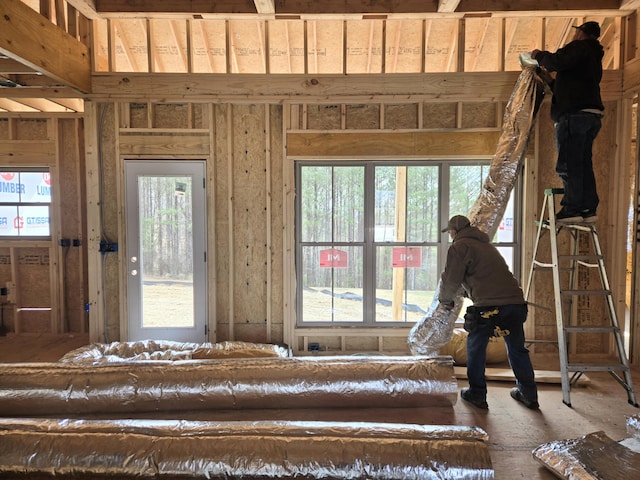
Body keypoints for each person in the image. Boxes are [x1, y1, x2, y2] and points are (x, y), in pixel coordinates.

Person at [439, 215, 538, 410]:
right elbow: (486, 277)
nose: (450, 235)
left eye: (450, 232)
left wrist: (445, 300)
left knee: (475, 349)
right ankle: (529, 394)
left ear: (455, 231)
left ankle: (477, 394)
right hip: (515, 304)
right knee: (517, 349)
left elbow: (451, 279)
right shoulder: (487, 246)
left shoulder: (459, 247)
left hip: (489, 308)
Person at [531, 21, 604, 224]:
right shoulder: (591, 57)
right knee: (581, 164)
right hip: (589, 115)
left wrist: (538, 55)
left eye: (576, 32)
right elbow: (573, 88)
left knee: (568, 164)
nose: (574, 36)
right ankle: (588, 208)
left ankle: (572, 209)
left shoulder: (580, 48)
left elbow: (557, 61)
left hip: (574, 116)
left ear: (581, 33)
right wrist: (550, 81)